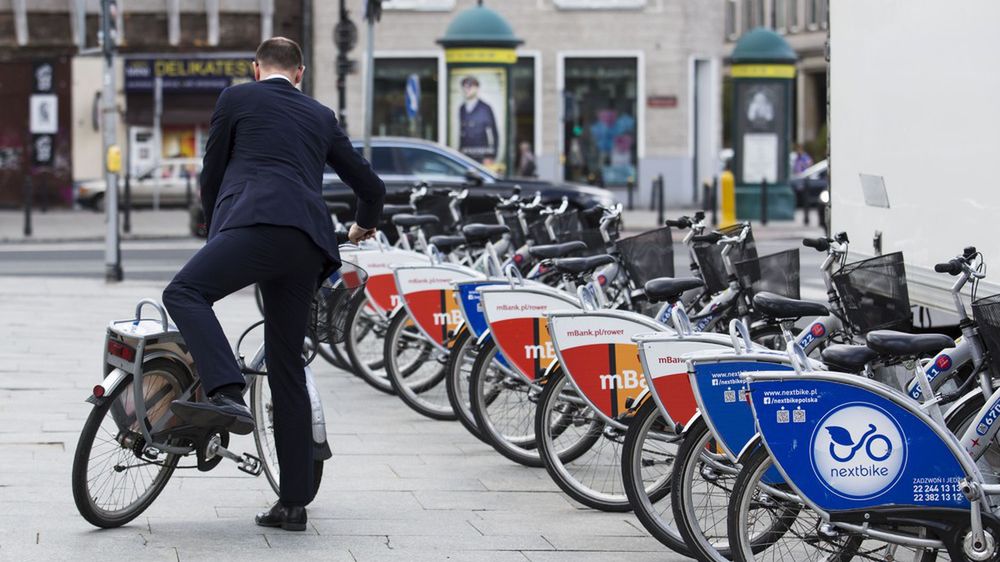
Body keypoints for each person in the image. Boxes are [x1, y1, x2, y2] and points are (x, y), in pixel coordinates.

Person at [162, 37, 385, 532]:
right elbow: (371, 187)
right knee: (286, 368)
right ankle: (293, 504)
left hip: (254, 223)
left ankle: (225, 389)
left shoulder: (236, 98)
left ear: (256, 69)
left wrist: (215, 229)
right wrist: (361, 225)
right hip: (309, 241)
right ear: (301, 73)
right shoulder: (321, 115)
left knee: (184, 292)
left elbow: (212, 173)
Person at [458, 76, 498, 164]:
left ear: (476, 88)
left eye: (469, 87)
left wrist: (491, 155)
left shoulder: (485, 108)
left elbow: (493, 133)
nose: (466, 90)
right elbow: (462, 133)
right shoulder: (462, 108)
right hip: (465, 156)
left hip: (481, 156)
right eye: (464, 87)